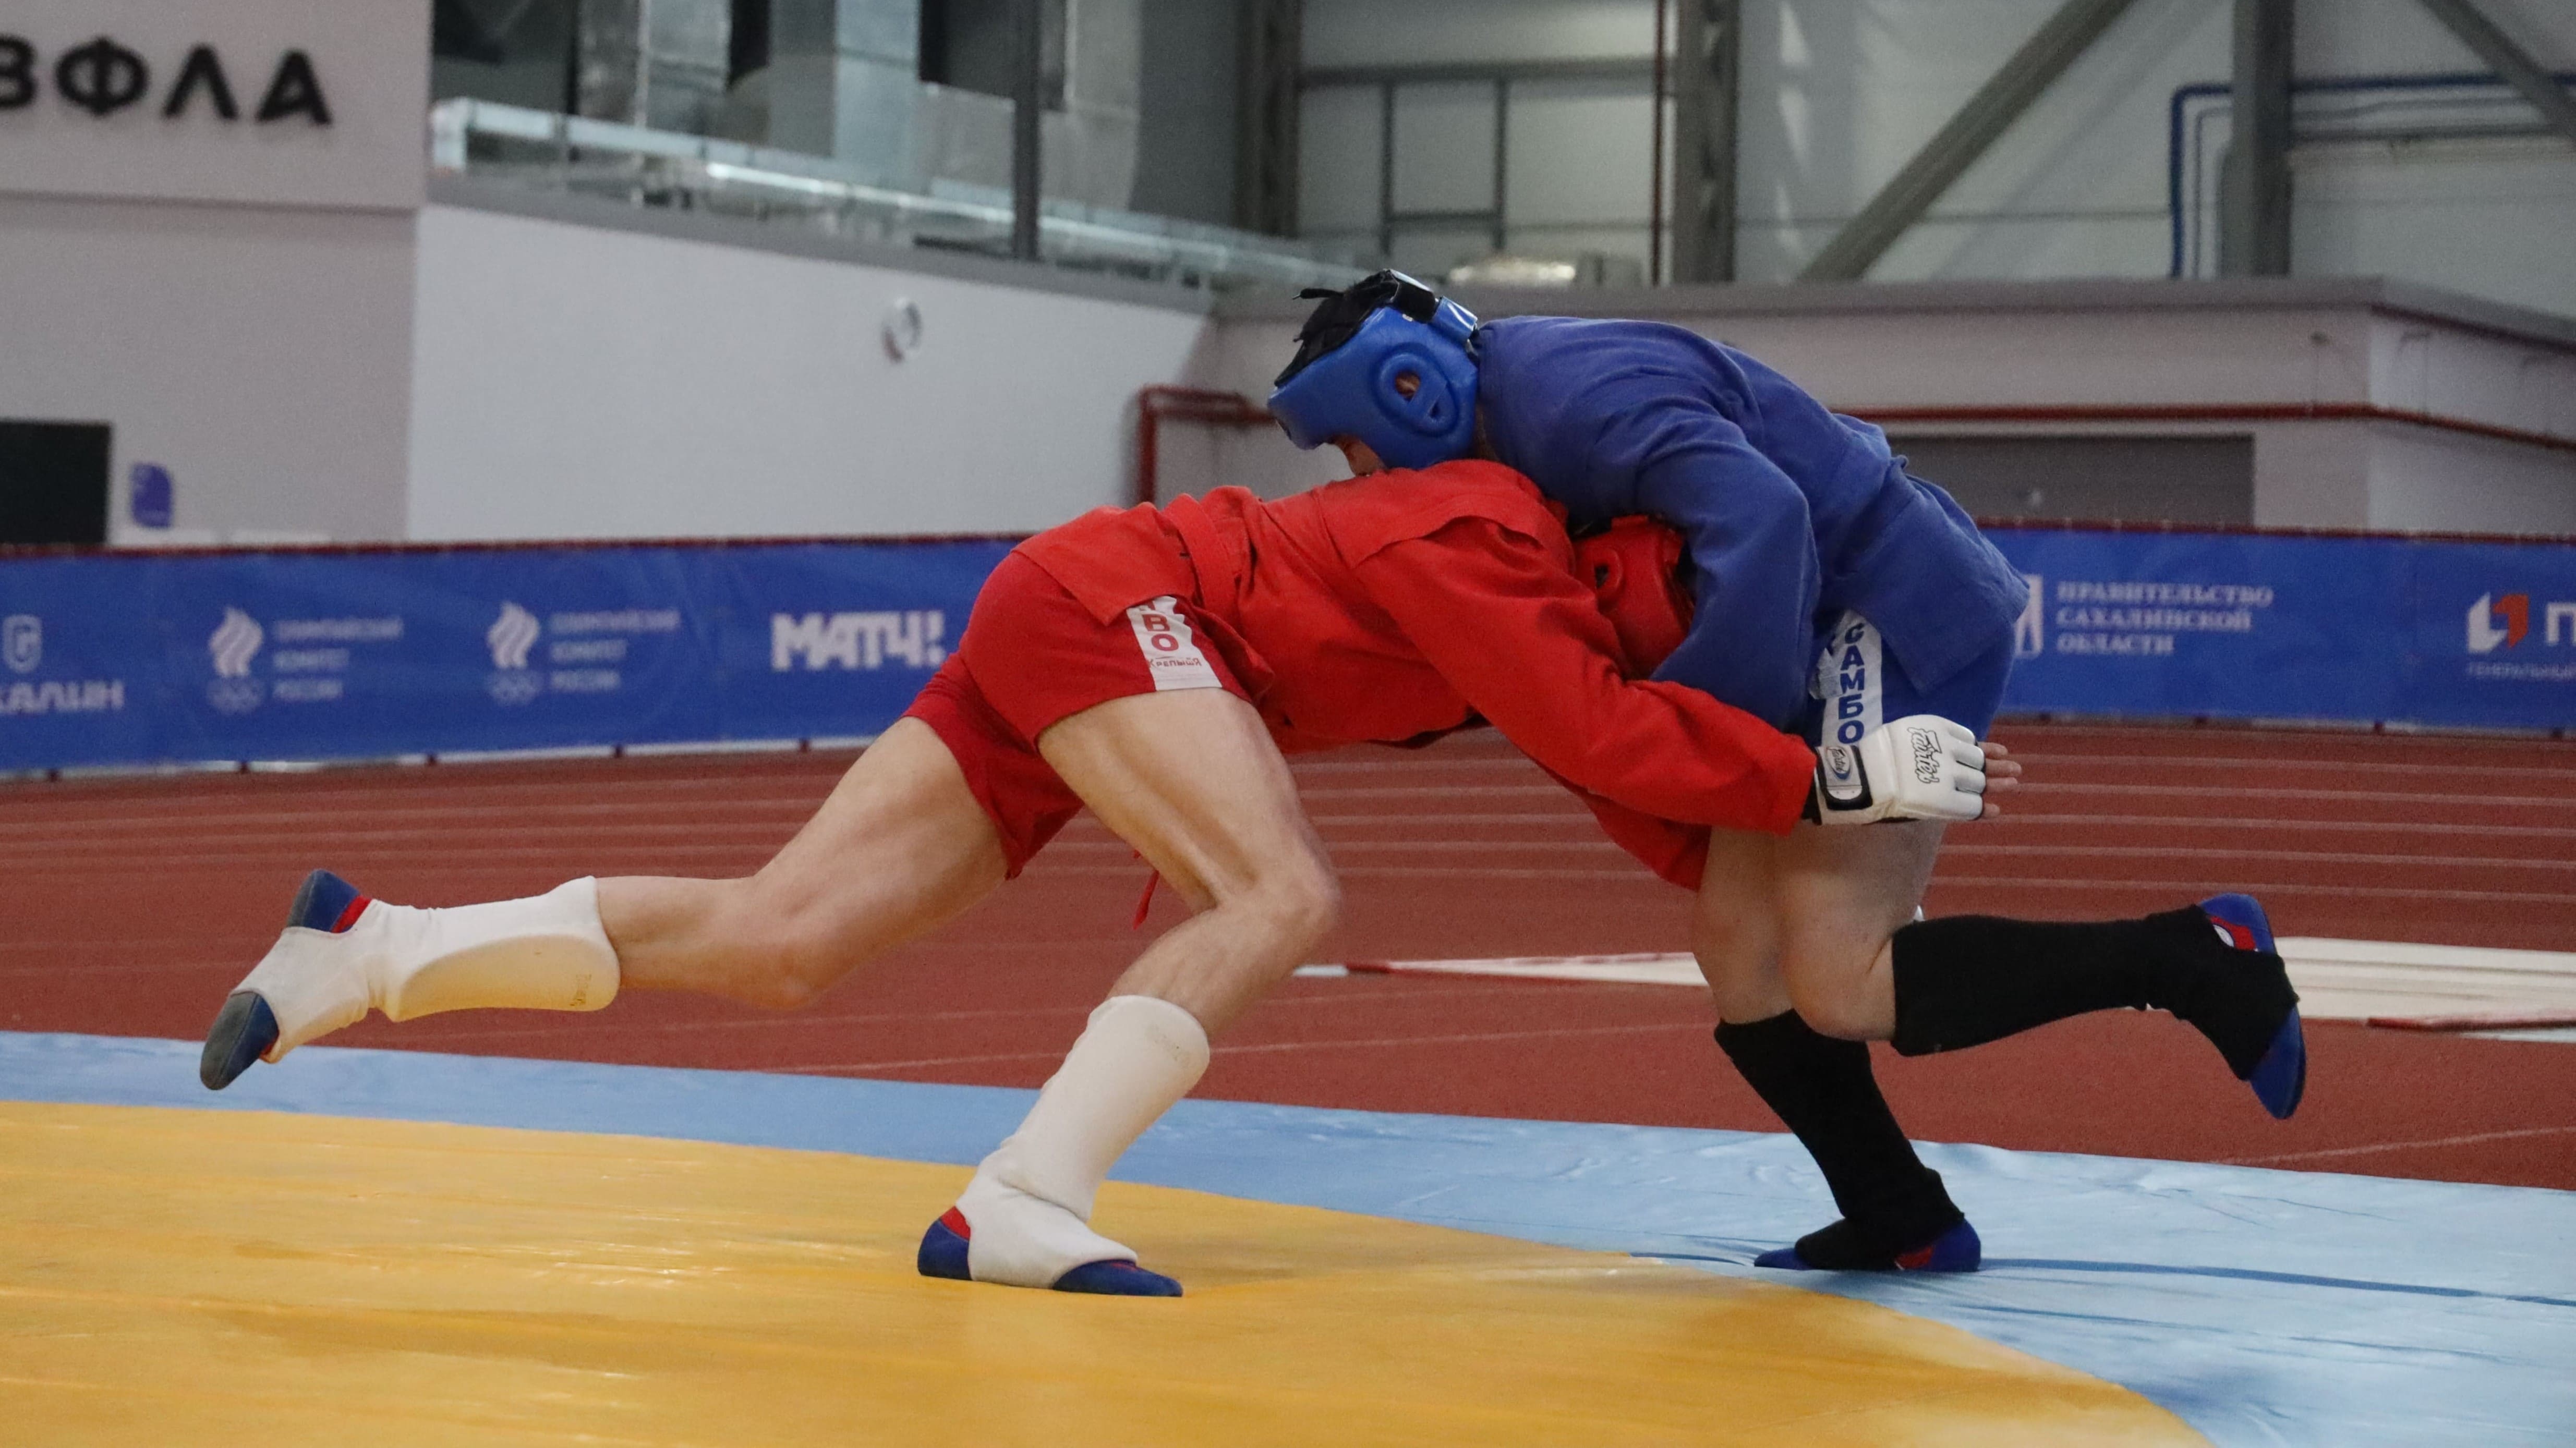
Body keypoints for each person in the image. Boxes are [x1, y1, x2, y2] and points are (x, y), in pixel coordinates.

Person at [201, 459, 1998, 1298]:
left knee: (782, 940)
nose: (1689, 647)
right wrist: (1832, 775)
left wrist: (1791, 848)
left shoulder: (1551, 623)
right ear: (1642, 561)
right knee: (1277, 896)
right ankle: (1021, 1196)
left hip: (1089, 610)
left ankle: (375, 947)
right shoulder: (1501, 538)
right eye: (1692, 615)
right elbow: (1618, 739)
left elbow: (1624, 768)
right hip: (1122, 606)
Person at [1268, 271, 2306, 1273]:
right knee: (1739, 953)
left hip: (1882, 605)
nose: (1361, 472)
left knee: (1841, 976)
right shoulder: (1512, 416)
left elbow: (1766, 517)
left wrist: (1713, 739)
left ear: (1409, 388)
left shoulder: (1571, 400)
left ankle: (2195, 954)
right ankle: (1898, 1211)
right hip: (1809, 626)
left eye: (1354, 444)